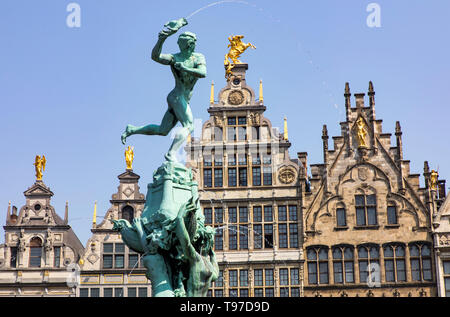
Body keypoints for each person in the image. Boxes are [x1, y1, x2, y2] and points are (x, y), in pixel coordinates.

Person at [121, 18, 207, 162]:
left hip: (182, 98)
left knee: (163, 130)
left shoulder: (198, 57)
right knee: (189, 125)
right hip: (176, 96)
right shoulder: (174, 58)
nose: (194, 45)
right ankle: (171, 153)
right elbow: (155, 57)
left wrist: (184, 68)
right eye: (191, 43)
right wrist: (162, 40)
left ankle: (132, 129)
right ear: (189, 45)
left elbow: (203, 73)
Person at [174, 199, 219, 297]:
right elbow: (216, 274)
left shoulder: (196, 259)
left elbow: (185, 240)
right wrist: (212, 254)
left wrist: (179, 218)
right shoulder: (210, 268)